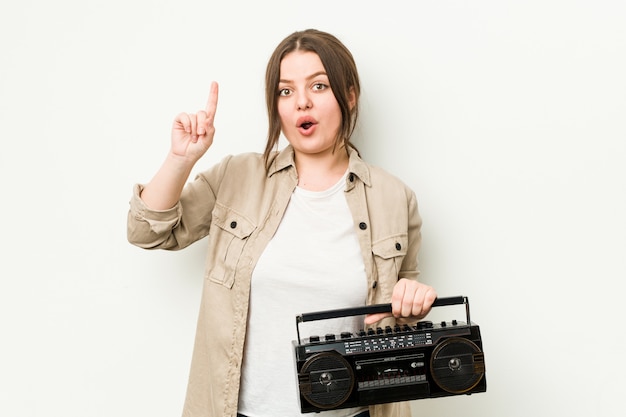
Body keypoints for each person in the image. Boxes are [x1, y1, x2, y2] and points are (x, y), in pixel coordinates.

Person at [127, 29, 437, 417]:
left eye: (319, 86)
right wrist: (180, 158)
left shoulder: (394, 198)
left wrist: (409, 309)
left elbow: (400, 335)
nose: (301, 102)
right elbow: (147, 232)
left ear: (350, 95)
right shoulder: (237, 176)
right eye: (285, 91)